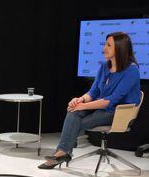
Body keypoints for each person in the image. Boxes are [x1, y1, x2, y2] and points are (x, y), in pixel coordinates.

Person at [38, 32, 141, 169]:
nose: (104, 48)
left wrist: (83, 106)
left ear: (120, 48)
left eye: (109, 45)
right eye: (105, 44)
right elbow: (94, 92)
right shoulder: (105, 66)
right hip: (101, 107)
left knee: (79, 121)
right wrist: (80, 100)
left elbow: (111, 100)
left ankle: (62, 152)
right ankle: (62, 153)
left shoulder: (132, 70)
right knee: (73, 113)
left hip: (120, 112)